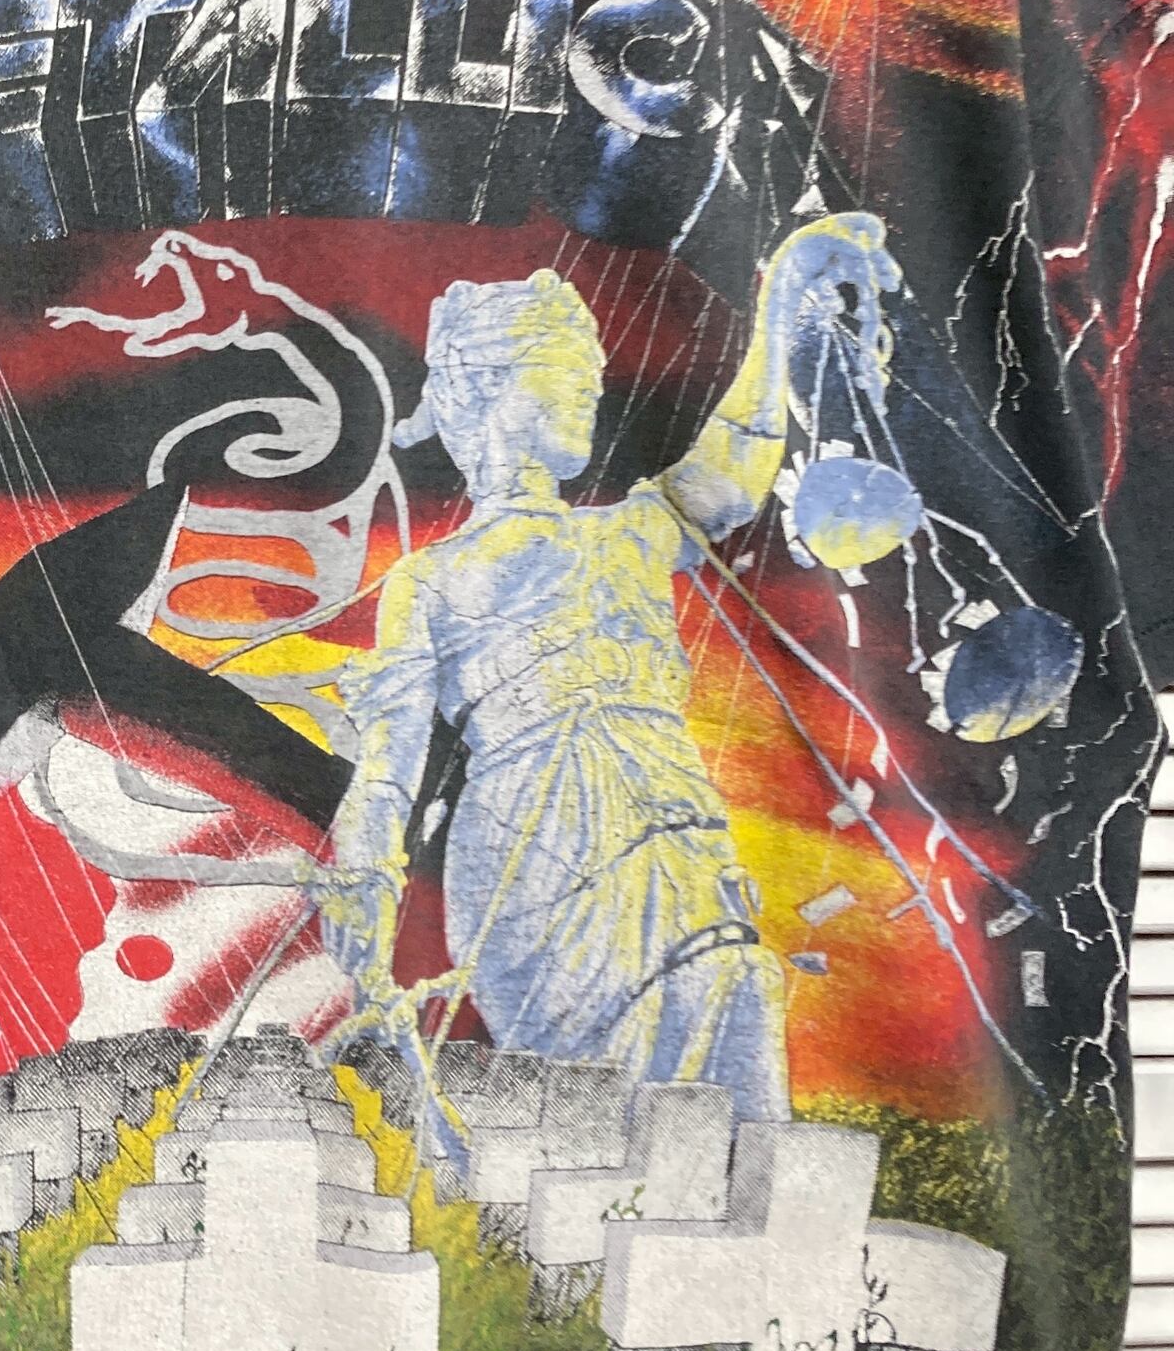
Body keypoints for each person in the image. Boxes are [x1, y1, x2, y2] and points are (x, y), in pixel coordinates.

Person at [326, 213, 901, 1125]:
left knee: (737, 990)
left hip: (669, 822)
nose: (591, 394)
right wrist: (361, 878)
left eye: (592, 378)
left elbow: (733, 467)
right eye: (568, 375)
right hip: (531, 853)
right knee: (600, 1103)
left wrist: (783, 298)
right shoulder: (429, 582)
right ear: (495, 391)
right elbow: (386, 772)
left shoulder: (631, 534)